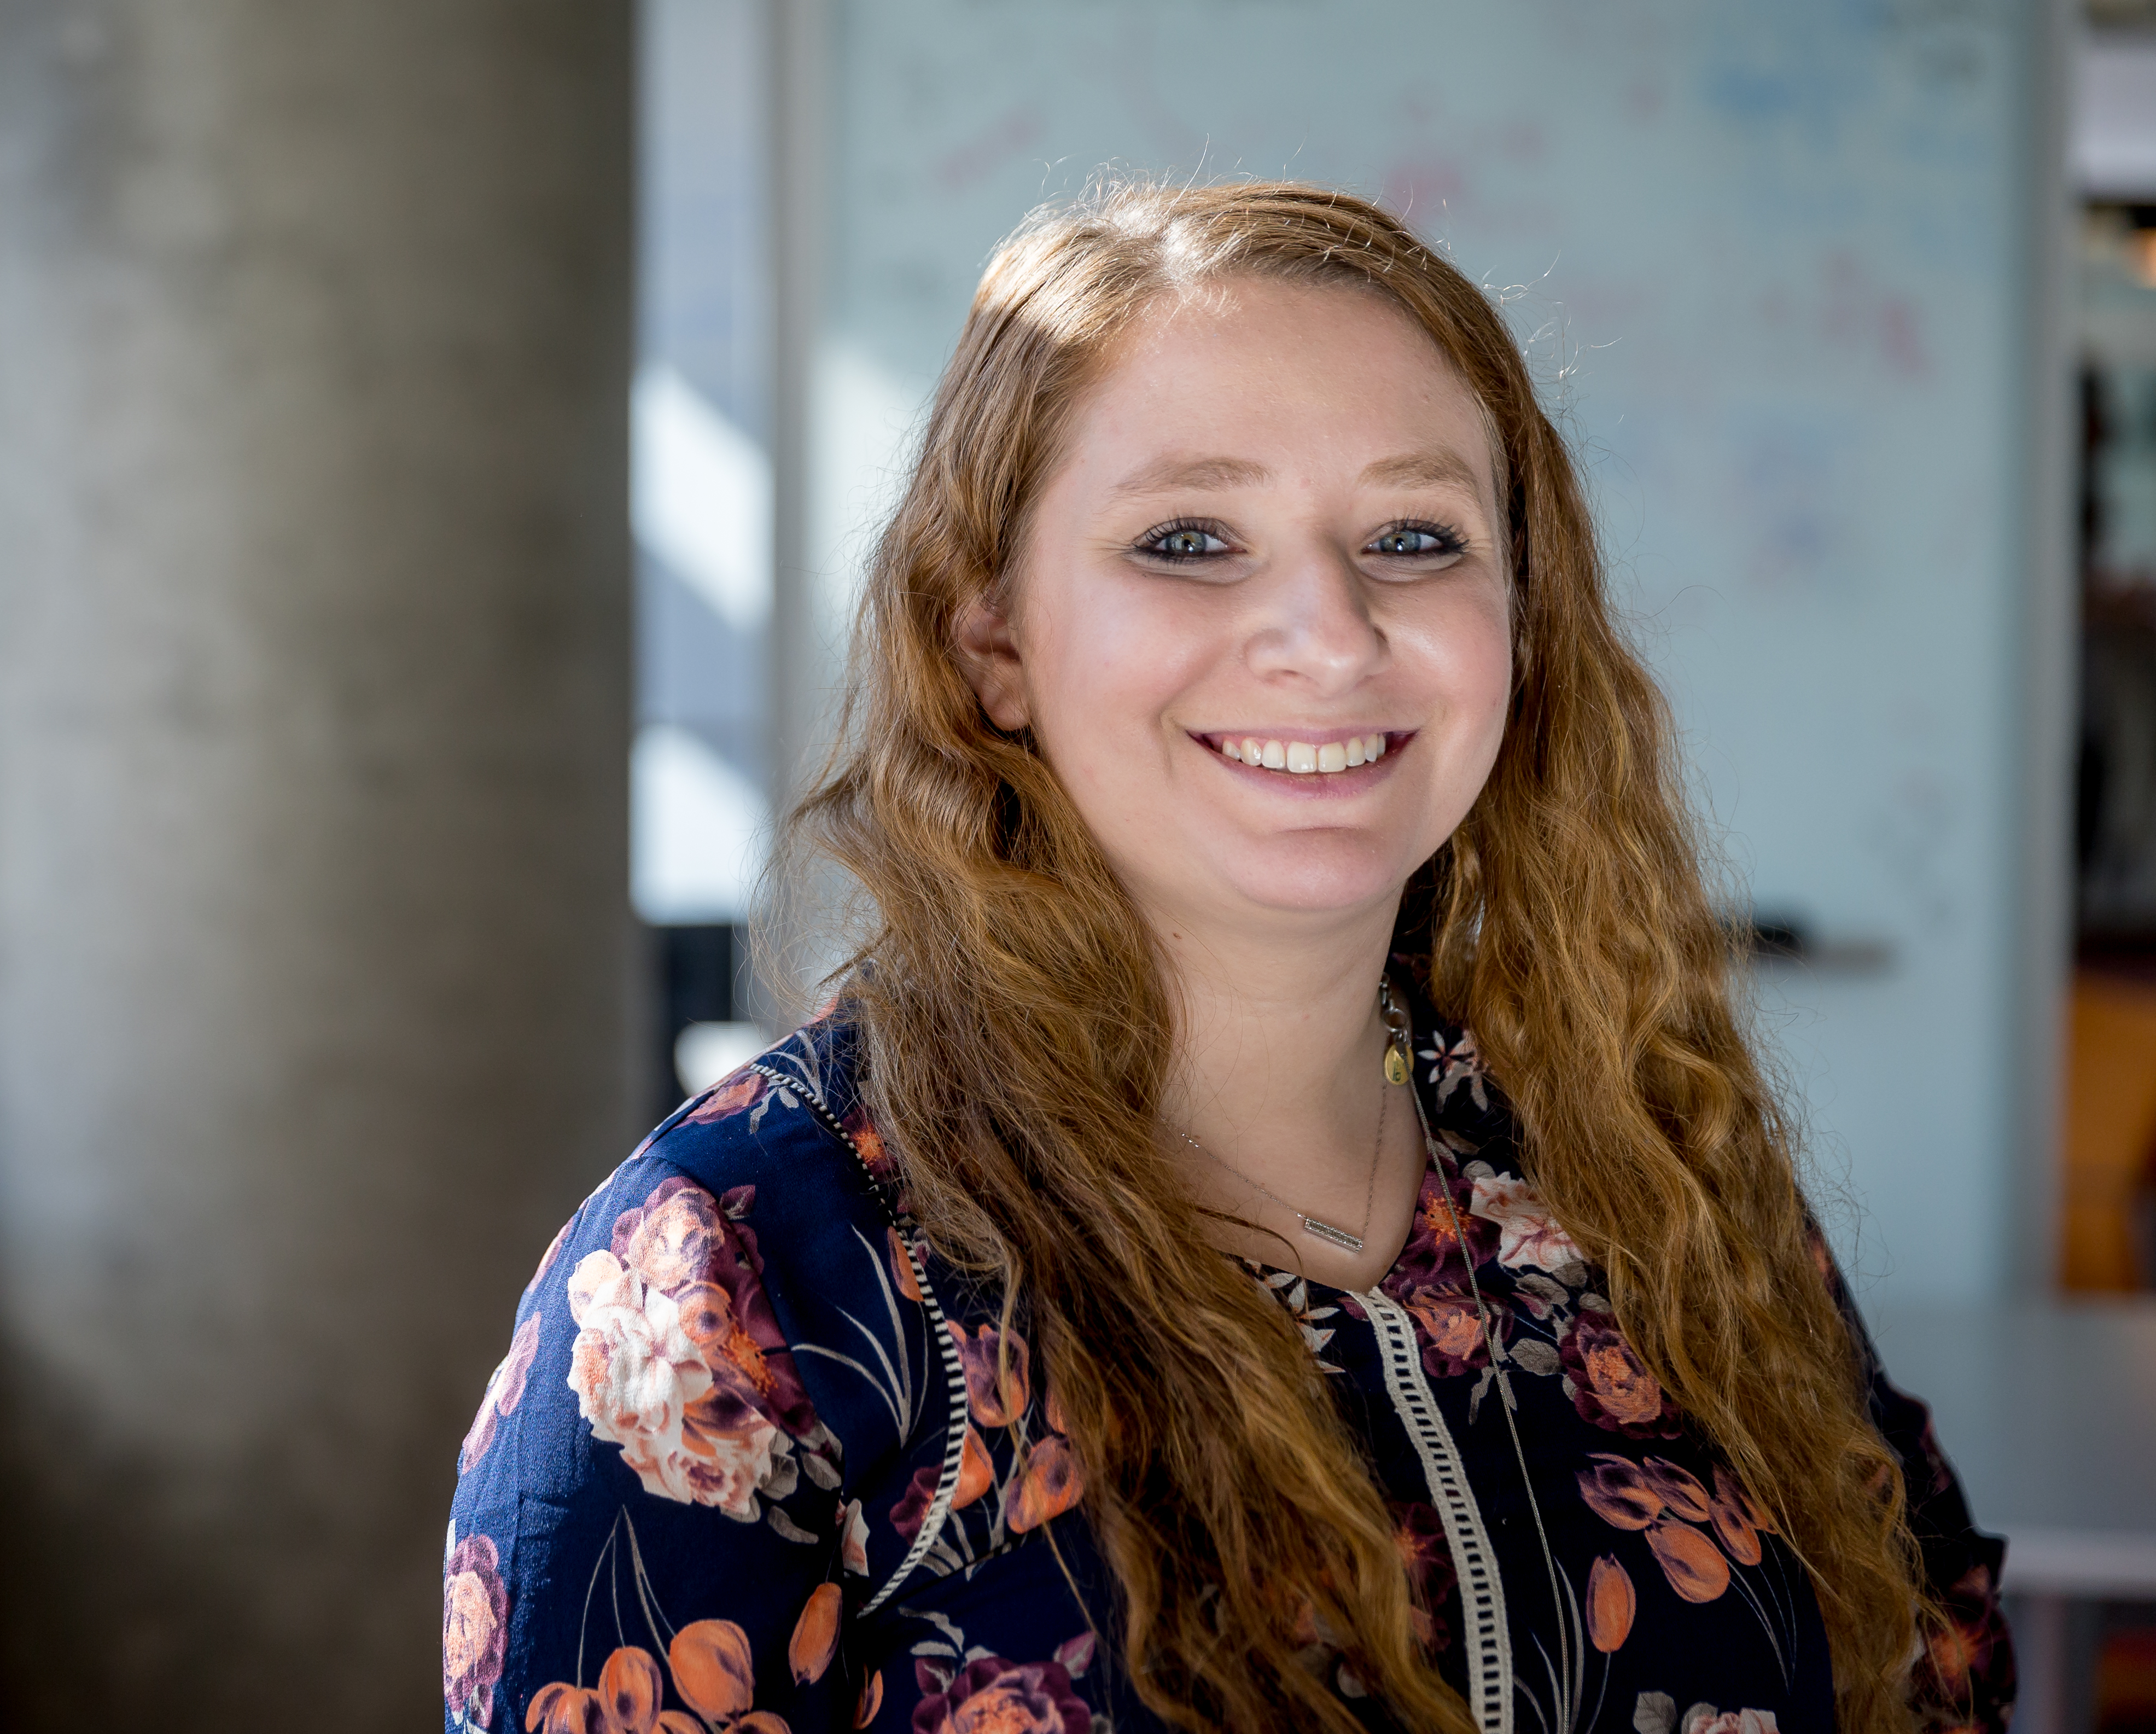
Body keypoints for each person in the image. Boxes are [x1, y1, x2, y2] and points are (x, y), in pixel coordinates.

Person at [442, 182, 2010, 1734]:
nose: (1328, 632)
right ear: (991, 641)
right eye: (1190, 538)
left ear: (1521, 627)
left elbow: (1934, 1668)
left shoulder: (1651, 1169)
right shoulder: (728, 1283)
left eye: (1413, 534)